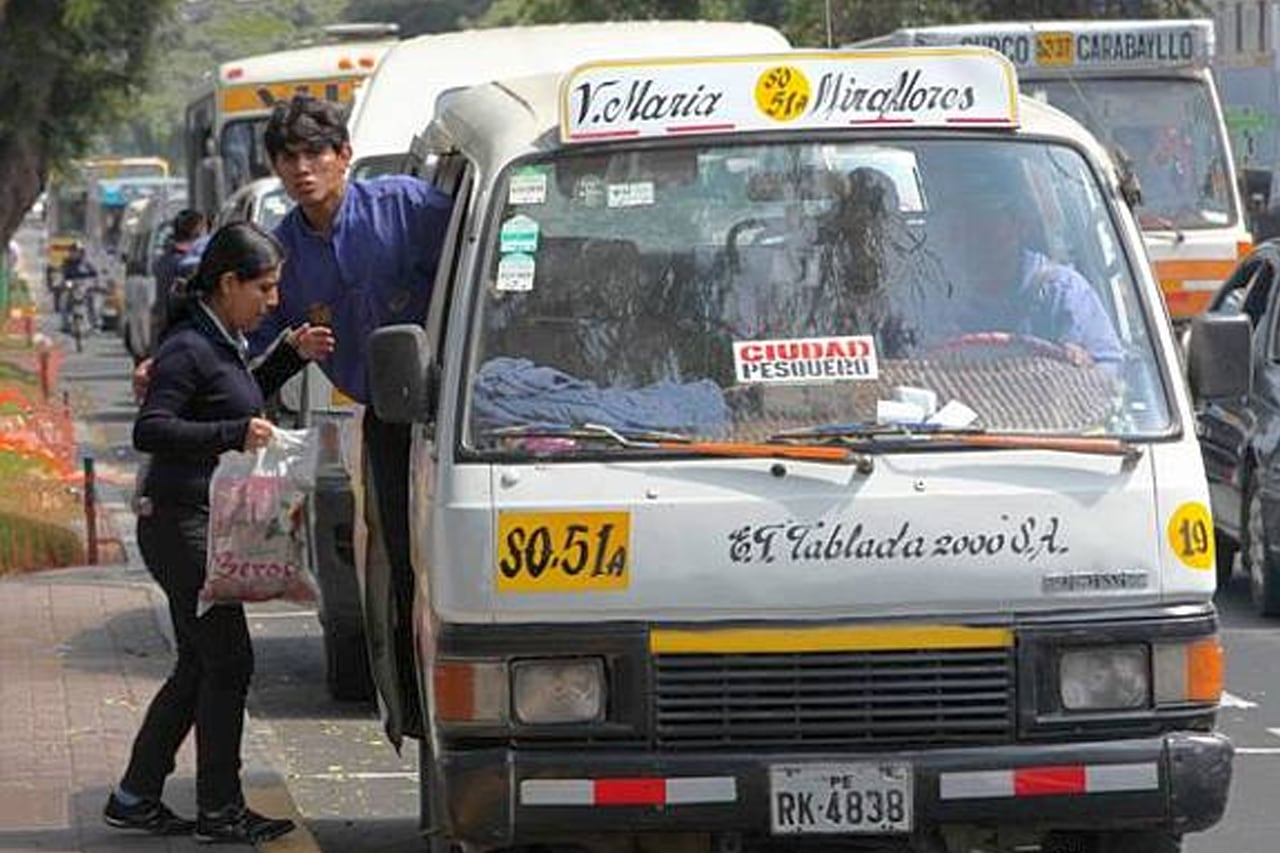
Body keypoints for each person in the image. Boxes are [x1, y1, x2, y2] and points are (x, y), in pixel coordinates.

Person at [105, 222, 335, 844]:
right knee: (228, 663)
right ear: (227, 283)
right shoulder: (187, 348)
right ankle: (219, 809)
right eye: (263, 287)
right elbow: (151, 430)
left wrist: (287, 355)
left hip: (192, 518)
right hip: (180, 524)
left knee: (200, 666)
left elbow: (232, 400)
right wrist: (230, 437)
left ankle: (135, 795)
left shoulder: (221, 339)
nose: (271, 300)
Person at [249, 95, 453, 744]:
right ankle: (416, 710)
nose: (303, 168)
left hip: (462, 411)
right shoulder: (281, 254)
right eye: (288, 157)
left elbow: (500, 260)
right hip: (389, 422)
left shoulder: (408, 206)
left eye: (316, 153)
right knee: (400, 558)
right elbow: (252, 350)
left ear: (344, 156)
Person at [943, 184, 1124, 368]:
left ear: (1019, 225)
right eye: (958, 225)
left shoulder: (1062, 291)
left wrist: (1082, 364)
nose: (969, 237)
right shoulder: (938, 298)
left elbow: (1110, 370)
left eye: (982, 222)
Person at [150, 208, 209, 352]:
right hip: (187, 340)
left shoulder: (163, 260)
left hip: (165, 336)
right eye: (206, 229)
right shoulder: (191, 264)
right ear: (198, 230)